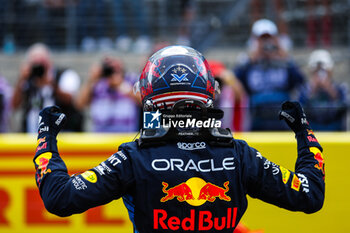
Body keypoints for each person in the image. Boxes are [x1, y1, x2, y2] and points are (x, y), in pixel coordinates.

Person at [33, 46, 325, 233]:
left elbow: (59, 197)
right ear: (208, 96)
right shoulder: (238, 154)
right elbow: (310, 194)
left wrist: (46, 136)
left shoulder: (134, 157)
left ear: (150, 98)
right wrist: (303, 132)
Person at [235, 19, 305, 131]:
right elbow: (236, 83)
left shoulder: (285, 62)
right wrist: (252, 59)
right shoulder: (247, 63)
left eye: (269, 38)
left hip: (283, 118)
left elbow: (300, 81)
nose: (266, 43)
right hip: (257, 118)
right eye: (262, 39)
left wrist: (284, 57)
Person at [12, 43, 83, 132]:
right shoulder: (27, 80)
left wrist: (51, 85)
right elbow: (14, 105)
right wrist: (21, 79)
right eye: (35, 64)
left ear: (49, 61)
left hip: (61, 137)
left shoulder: (63, 75)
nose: (39, 67)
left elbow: (71, 100)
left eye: (42, 63)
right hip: (32, 137)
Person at [76, 56, 140, 132]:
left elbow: (143, 101)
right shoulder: (97, 84)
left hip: (126, 136)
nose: (113, 70)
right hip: (101, 138)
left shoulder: (131, 80)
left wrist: (121, 85)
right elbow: (79, 104)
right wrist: (91, 79)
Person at [298, 49, 348, 131]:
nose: (320, 73)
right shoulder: (303, 89)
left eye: (323, 70)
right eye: (316, 70)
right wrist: (312, 91)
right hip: (312, 131)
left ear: (330, 70)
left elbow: (345, 105)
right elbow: (299, 110)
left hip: (335, 130)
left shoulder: (341, 87)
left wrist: (330, 90)